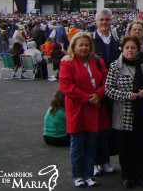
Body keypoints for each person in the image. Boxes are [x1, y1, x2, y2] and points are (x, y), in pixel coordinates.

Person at [59, 32, 110, 187]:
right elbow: (67, 86)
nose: (83, 47)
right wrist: (88, 97)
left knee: (91, 146)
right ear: (73, 46)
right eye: (80, 44)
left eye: (86, 45)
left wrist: (98, 95)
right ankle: (77, 175)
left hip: (95, 109)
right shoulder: (67, 63)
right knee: (77, 146)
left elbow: (106, 81)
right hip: (78, 109)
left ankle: (88, 175)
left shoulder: (97, 62)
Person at [105, 36, 143, 189]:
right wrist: (127, 95)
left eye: (133, 47)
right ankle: (127, 176)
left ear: (138, 50)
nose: (130, 50)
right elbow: (108, 90)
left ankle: (139, 175)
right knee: (125, 148)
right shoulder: (115, 66)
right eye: (127, 48)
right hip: (123, 113)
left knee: (140, 147)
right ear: (122, 49)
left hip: (141, 113)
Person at [91, 9, 121, 175]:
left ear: (111, 21)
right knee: (96, 128)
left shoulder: (116, 41)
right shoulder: (90, 40)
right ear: (96, 22)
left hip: (113, 89)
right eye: (101, 20)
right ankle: (95, 162)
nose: (104, 22)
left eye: (107, 20)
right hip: (96, 89)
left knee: (109, 127)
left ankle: (106, 159)